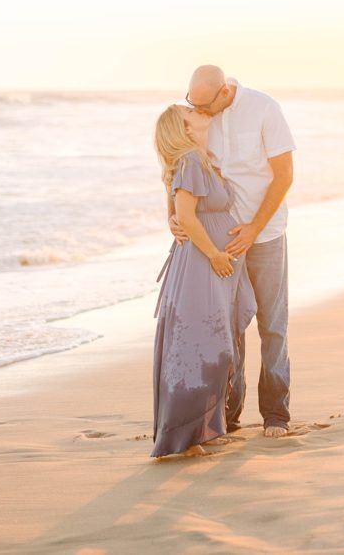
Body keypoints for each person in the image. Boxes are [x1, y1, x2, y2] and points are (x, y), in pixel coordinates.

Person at [170, 65, 296, 439]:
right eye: (193, 104)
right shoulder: (202, 119)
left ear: (224, 91)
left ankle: (276, 413)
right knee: (229, 328)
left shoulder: (264, 109)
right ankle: (231, 413)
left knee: (273, 325)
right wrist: (174, 217)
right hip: (221, 241)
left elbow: (285, 174)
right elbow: (177, 166)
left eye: (205, 105)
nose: (200, 112)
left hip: (266, 234)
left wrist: (255, 227)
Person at [151, 104, 257, 458]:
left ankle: (205, 429)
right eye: (188, 111)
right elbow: (184, 215)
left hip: (216, 260)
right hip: (204, 261)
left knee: (213, 339)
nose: (196, 109)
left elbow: (176, 212)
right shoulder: (192, 163)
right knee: (202, 342)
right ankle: (188, 433)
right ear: (184, 128)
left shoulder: (202, 159)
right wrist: (214, 253)